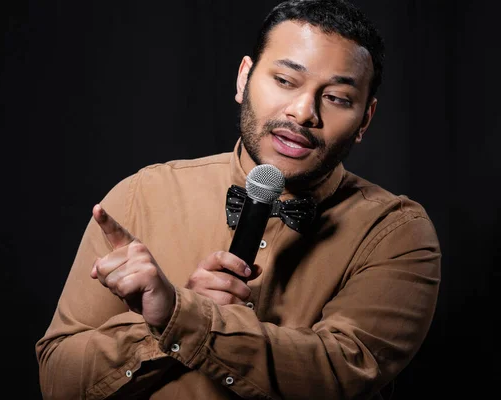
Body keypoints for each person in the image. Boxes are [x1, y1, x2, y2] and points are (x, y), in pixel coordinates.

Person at [35, 0, 441, 398]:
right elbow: (58, 382)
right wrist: (157, 330)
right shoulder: (142, 194)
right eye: (285, 81)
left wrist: (183, 315)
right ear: (244, 78)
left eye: (335, 97)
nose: (303, 112)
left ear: (364, 120)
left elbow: (341, 372)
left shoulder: (396, 231)